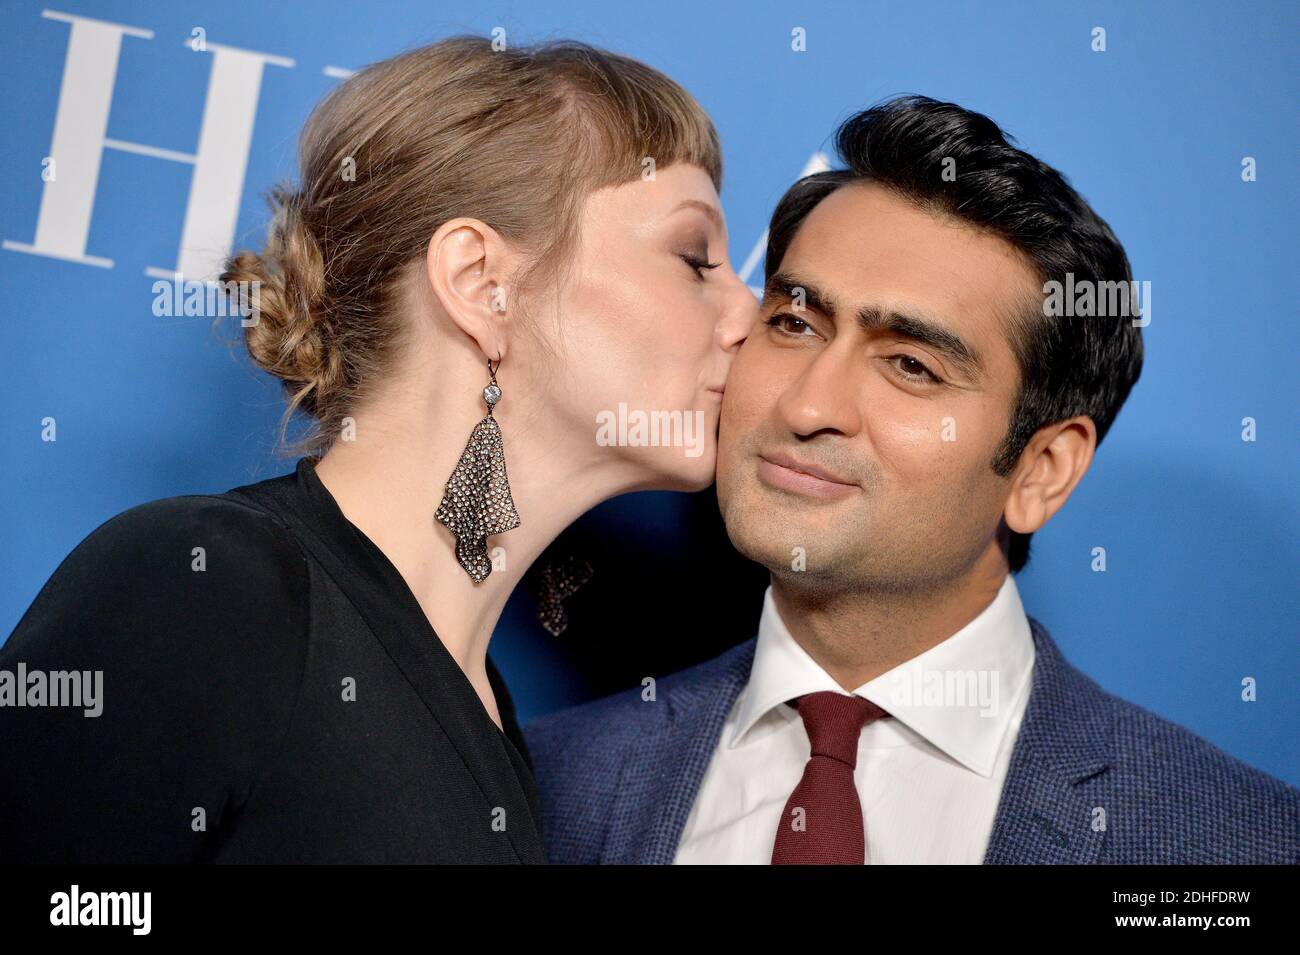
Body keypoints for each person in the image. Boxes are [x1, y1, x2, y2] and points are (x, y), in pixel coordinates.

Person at [0, 35, 755, 863]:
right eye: (694, 259)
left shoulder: (497, 736)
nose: (746, 315)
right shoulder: (206, 583)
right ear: (479, 282)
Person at [524, 96, 1300, 865]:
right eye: (794, 324)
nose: (807, 404)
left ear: (1041, 470)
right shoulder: (547, 786)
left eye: (911, 366)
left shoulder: (1238, 843)